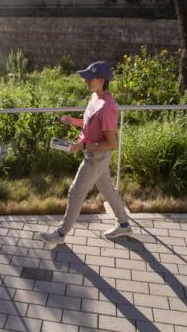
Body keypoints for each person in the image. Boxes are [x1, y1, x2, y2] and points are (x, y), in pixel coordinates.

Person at [39, 61, 132, 244]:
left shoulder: (107, 107)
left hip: (96, 158)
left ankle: (60, 234)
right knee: (108, 189)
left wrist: (82, 146)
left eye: (89, 78)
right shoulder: (95, 97)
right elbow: (90, 125)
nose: (85, 81)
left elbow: (112, 144)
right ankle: (124, 225)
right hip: (94, 154)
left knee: (75, 193)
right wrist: (73, 121)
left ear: (101, 79)